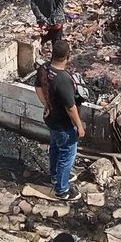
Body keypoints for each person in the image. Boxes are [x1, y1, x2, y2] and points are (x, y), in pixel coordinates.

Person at [35, 40, 85, 201]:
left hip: (50, 118)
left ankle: (56, 176)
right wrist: (79, 126)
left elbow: (37, 87)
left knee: (55, 147)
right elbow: (70, 108)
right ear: (67, 56)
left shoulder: (43, 69)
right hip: (63, 125)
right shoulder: (63, 80)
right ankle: (61, 190)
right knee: (67, 154)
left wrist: (46, 104)